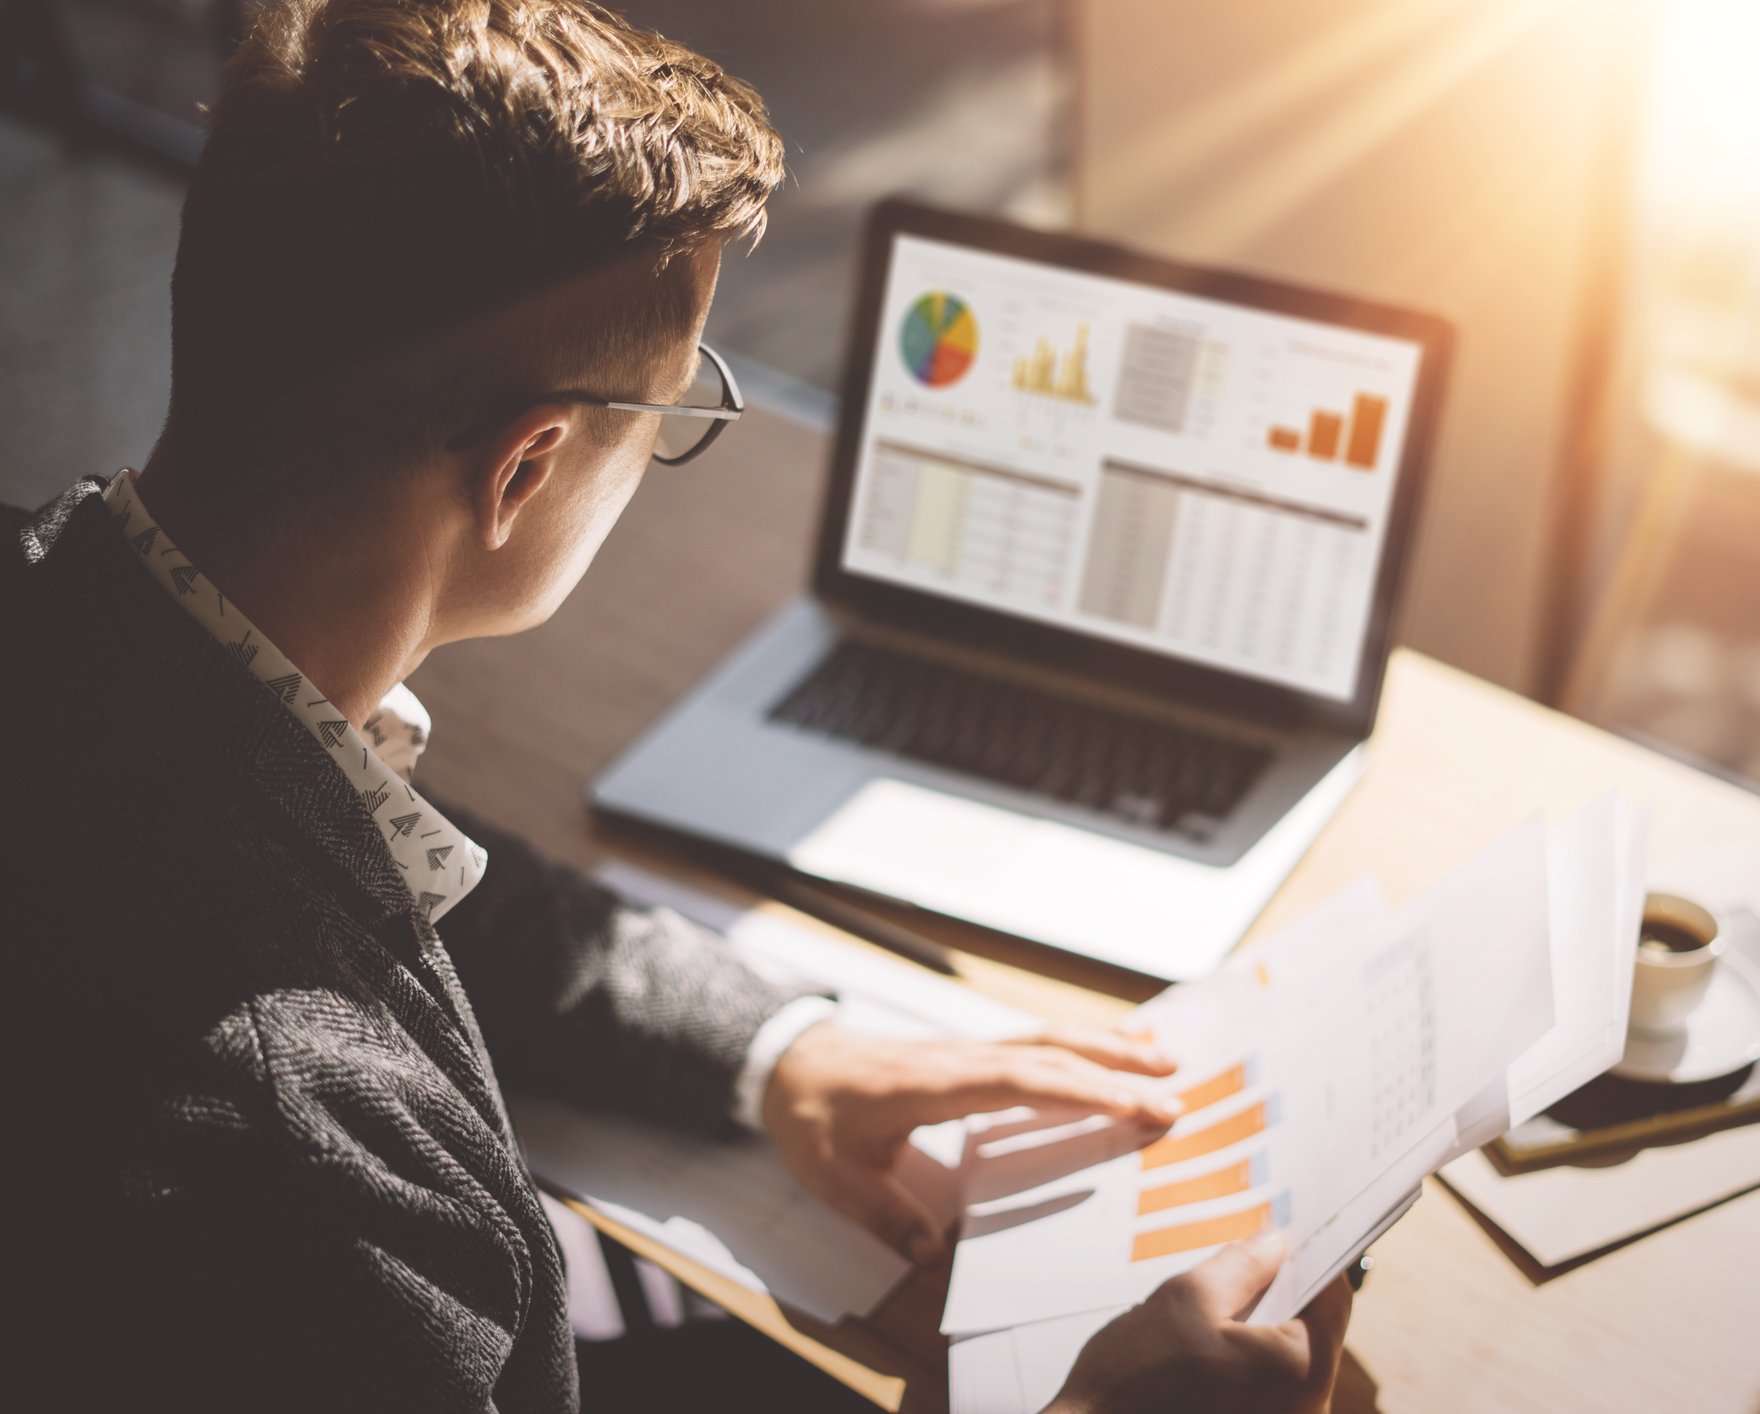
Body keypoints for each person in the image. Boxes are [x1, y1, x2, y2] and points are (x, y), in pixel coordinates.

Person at [2, 1, 1353, 1409]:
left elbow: (352, 849)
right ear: (526, 471)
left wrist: (782, 1050)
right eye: (671, 411)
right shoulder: (315, 1178)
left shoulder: (77, 624)